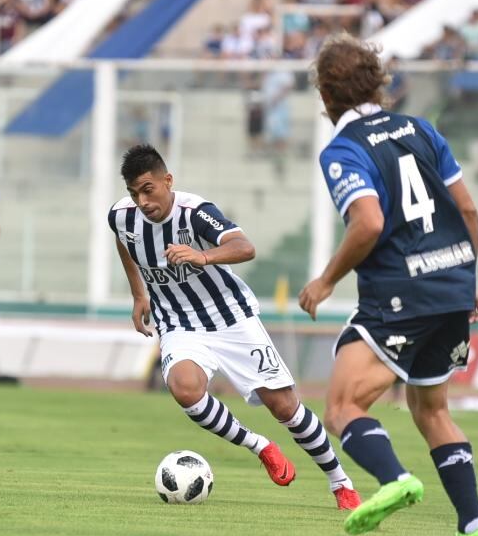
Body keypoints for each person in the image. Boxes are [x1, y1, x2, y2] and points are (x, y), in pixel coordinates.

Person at [298, 34, 478, 536]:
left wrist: (325, 280)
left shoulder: (344, 148)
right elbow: (469, 212)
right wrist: (467, 279)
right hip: (452, 285)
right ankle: (474, 527)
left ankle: (393, 479)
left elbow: (368, 222)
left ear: (325, 93)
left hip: (399, 295)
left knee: (342, 408)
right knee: (431, 409)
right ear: (377, 81)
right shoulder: (422, 129)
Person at [111, 144, 361, 511]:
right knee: (184, 388)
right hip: (179, 323)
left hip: (230, 318)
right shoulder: (121, 216)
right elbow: (124, 242)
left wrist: (202, 255)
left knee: (284, 407)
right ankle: (260, 446)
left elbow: (245, 247)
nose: (142, 201)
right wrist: (138, 294)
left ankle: (341, 483)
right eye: (134, 193)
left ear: (168, 181)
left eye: (148, 189)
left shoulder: (196, 213)